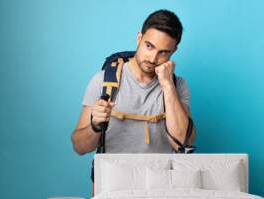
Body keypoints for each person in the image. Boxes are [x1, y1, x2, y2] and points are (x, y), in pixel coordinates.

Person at [71, 9, 195, 155]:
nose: (153, 59)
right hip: (113, 177)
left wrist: (168, 86)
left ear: (174, 51)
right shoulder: (103, 81)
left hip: (161, 177)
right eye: (149, 46)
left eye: (163, 52)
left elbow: (182, 142)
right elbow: (79, 148)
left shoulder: (177, 86)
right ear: (139, 38)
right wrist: (95, 126)